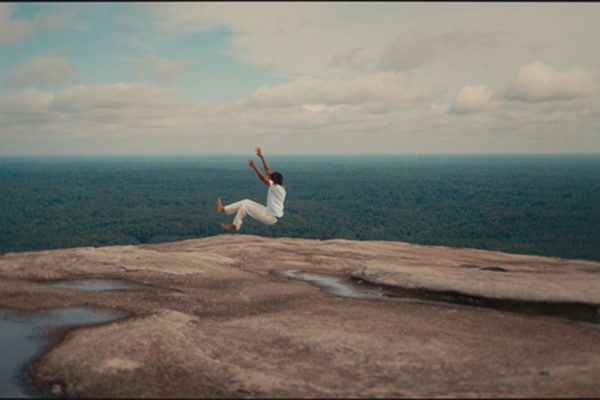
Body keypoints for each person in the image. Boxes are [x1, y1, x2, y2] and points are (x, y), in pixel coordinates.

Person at [217, 147, 286, 231]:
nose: (269, 177)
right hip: (268, 211)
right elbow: (268, 170)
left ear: (274, 179)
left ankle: (235, 225)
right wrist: (261, 156)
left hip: (271, 217)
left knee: (244, 207)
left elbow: (263, 179)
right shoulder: (278, 186)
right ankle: (223, 209)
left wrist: (254, 166)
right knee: (246, 201)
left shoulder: (276, 187)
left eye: (270, 177)